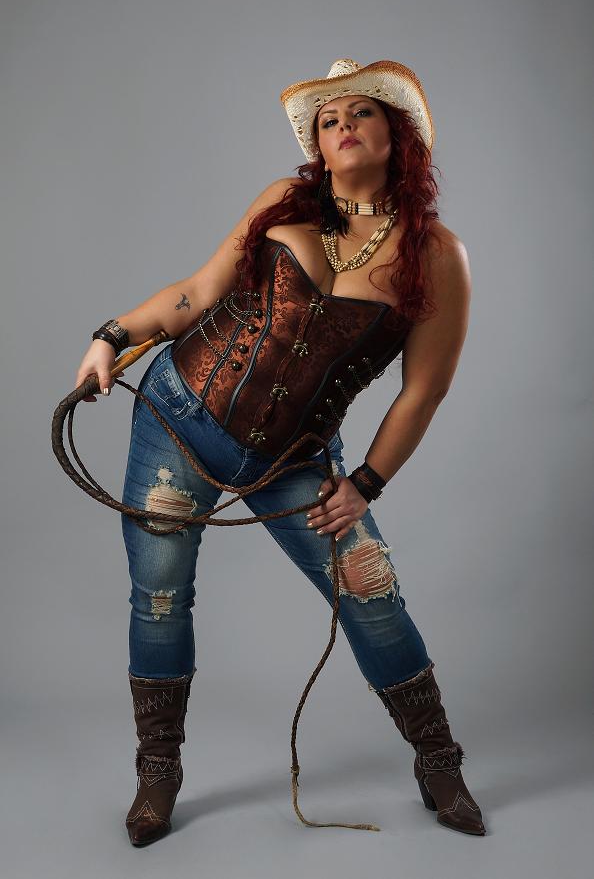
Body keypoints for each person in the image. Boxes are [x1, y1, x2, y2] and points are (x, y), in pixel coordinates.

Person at [75, 58, 485, 845]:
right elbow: (198, 294)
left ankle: (439, 761)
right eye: (329, 120)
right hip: (177, 415)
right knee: (159, 597)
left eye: (361, 113)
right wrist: (112, 336)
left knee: (370, 592)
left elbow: (423, 391)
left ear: (397, 134)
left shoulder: (437, 255)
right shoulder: (282, 203)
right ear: (319, 146)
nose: (343, 126)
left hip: (294, 460)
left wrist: (366, 481)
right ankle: (158, 771)